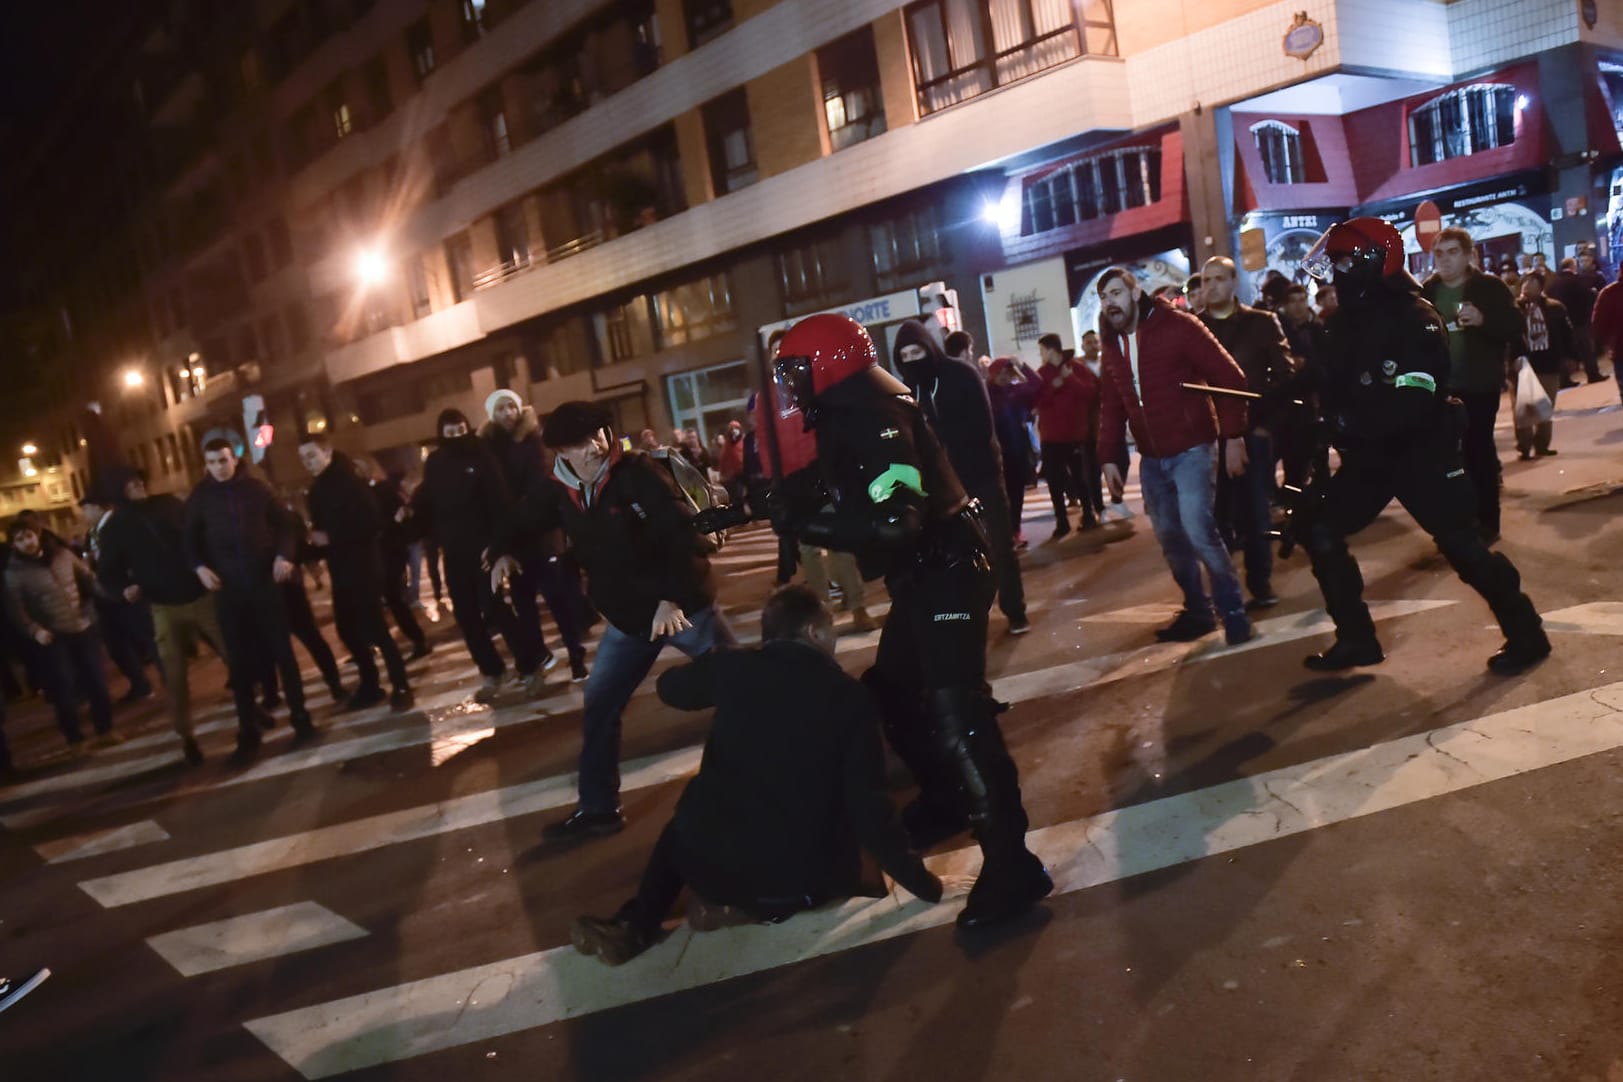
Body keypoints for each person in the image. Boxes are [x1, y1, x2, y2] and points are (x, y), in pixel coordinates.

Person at [749, 313, 1051, 930]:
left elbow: (895, 520)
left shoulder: (872, 410)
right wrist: (754, 503)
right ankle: (946, 798)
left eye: (795, 369)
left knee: (958, 713)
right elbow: (839, 476)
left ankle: (1012, 863)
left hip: (947, 569)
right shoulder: (854, 403)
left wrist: (803, 524)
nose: (789, 383)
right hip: (928, 571)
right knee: (894, 691)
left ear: (827, 363)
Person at [569, 586, 948, 965]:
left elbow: (670, 688)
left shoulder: (734, 669)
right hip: (797, 883)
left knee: (686, 819)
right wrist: (921, 883)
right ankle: (746, 906)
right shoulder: (849, 697)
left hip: (708, 869)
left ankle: (637, 924)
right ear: (815, 633)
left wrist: (717, 664)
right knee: (842, 806)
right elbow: (872, 810)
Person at [1295, 217, 1548, 674]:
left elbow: (1415, 394)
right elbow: (1330, 383)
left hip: (1420, 454)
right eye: (1334, 262)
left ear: (1374, 263)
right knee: (1320, 530)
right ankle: (1356, 639)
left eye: (1345, 261)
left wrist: (1354, 420)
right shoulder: (1345, 322)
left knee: (1463, 549)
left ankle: (1526, 633)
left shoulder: (1415, 316)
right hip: (1371, 458)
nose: (1338, 272)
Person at [503, 400, 736, 841]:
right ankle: (598, 808)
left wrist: (670, 596)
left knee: (743, 686)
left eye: (598, 435)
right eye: (577, 443)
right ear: (560, 452)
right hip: (630, 620)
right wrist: (502, 550)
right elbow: (521, 520)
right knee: (601, 706)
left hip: (683, 609)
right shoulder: (559, 488)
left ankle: (787, 768)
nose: (592, 446)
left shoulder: (638, 473)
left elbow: (680, 536)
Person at [1095, 268, 1253, 645]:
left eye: (1116, 293)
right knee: (1170, 539)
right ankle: (1198, 613)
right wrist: (1108, 456)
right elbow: (1113, 402)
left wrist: (1233, 437)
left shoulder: (1178, 326)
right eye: (1103, 298)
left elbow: (1231, 378)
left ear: (1135, 294)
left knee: (1199, 530)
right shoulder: (1112, 342)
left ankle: (1233, 612)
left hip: (1192, 448)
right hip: (1151, 458)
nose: (1109, 303)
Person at [895, 319, 1029, 635]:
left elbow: (982, 427)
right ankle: (971, 617)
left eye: (918, 351)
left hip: (980, 473)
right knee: (957, 556)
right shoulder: (906, 390)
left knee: (999, 545)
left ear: (929, 347)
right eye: (906, 355)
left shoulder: (962, 375)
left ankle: (1015, 610)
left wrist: (940, 441)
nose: (914, 359)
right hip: (941, 487)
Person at [186, 433, 316, 759]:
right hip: (229, 591)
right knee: (239, 664)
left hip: (263, 584)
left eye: (224, 460)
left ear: (234, 459)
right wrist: (199, 566)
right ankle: (248, 729)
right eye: (212, 462)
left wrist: (284, 556)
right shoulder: (200, 498)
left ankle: (301, 717)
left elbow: (287, 526)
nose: (219, 467)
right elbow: (188, 540)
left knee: (283, 653)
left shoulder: (256, 491)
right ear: (206, 464)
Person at [410, 408, 544, 703]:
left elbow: (499, 501)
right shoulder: (435, 462)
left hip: (484, 550)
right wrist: (409, 514)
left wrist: (498, 545)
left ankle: (530, 665)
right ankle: (492, 670)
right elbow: (427, 500)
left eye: (461, 431)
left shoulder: (481, 456)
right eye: (450, 433)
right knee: (466, 615)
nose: (457, 438)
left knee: (495, 607)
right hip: (453, 551)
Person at [95, 467, 227, 765]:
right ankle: (187, 737)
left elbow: (198, 535)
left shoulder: (169, 504)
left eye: (140, 480)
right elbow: (107, 574)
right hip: (162, 606)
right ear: (120, 490)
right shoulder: (115, 527)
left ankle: (250, 712)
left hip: (199, 595)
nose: (138, 485)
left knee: (234, 655)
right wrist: (124, 589)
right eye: (131, 483)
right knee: (174, 676)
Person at [1199, 256, 1293, 609]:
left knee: (1255, 512)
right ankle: (1225, 589)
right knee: (1214, 516)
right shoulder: (1195, 328)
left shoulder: (1262, 323)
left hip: (1254, 431)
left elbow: (1284, 376)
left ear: (1233, 282)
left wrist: (1268, 426)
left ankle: (1261, 583)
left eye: (1218, 279)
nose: (1211, 286)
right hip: (1210, 438)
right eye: (1206, 280)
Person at [299, 434, 415, 714]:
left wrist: (331, 537)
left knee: (375, 628)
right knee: (347, 630)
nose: (308, 463)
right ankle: (370, 683)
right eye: (303, 459)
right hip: (340, 569)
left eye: (312, 456)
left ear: (326, 452)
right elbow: (322, 534)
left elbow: (372, 521)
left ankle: (401, 686)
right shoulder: (316, 491)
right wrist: (308, 548)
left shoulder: (349, 481)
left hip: (364, 566)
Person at [1422, 227, 1523, 544]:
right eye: (1440, 253)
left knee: (1478, 452)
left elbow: (1515, 327)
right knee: (1446, 459)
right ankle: (1457, 523)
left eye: (1453, 252)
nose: (1446, 260)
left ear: (1468, 256)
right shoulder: (1428, 291)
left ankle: (1487, 522)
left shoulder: (1488, 287)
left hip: (1479, 386)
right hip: (1440, 389)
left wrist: (1483, 320)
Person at [482, 389, 582, 680]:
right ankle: (539, 656)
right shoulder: (489, 448)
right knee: (523, 604)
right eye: (500, 409)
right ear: (492, 415)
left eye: (511, 407)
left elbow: (542, 487)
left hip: (541, 534)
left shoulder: (534, 441)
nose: (507, 414)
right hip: (513, 541)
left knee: (557, 601)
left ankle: (576, 656)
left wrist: (518, 519)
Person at [3, 519, 119, 755]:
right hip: (52, 638)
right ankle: (75, 739)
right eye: (20, 539)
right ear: (14, 544)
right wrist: (36, 630)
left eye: (29, 536)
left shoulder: (63, 556)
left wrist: (102, 599)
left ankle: (105, 730)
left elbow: (87, 579)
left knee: (96, 682)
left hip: (81, 626)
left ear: (38, 535)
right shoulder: (14, 574)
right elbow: (17, 610)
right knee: (63, 691)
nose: (27, 542)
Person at [79, 491, 158, 704]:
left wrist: (135, 583)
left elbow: (137, 555)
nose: (84, 515)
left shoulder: (119, 526)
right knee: (117, 646)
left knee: (149, 638)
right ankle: (140, 684)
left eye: (86, 509)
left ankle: (172, 681)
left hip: (127, 594)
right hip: (105, 597)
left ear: (97, 507)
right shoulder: (91, 533)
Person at [1033, 332, 1098, 538]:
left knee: (1080, 477)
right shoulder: (1041, 374)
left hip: (1075, 434)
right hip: (1050, 437)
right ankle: (1062, 521)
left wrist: (1069, 379)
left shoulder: (1076, 368)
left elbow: (1090, 393)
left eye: (1042, 350)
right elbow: (1036, 402)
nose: (1041, 354)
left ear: (1052, 350)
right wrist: (1054, 387)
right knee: (1054, 481)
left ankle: (1088, 514)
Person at [369, 468, 430, 658]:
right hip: (389, 551)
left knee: (393, 597)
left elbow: (393, 523)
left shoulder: (381, 495)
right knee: (393, 598)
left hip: (390, 552)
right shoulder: (381, 494)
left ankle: (415, 640)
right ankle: (413, 640)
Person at [986, 358, 1041, 551]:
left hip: (1017, 451)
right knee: (1001, 497)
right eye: (1000, 372)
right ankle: (1002, 534)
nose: (1004, 376)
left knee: (1016, 494)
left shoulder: (1015, 392)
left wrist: (1022, 367)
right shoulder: (986, 393)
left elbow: (1036, 384)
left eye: (1007, 373)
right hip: (997, 454)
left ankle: (1015, 530)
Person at [1545, 256, 1607, 384]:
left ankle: (1564, 380)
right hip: (1579, 320)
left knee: (1562, 351)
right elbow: (1587, 296)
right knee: (1586, 349)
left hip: (1559, 322)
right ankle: (1593, 374)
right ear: (1573, 266)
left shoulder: (1553, 283)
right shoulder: (1576, 280)